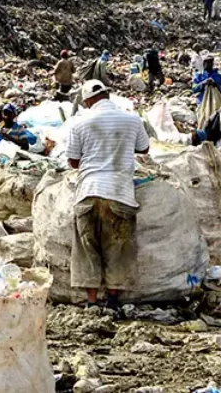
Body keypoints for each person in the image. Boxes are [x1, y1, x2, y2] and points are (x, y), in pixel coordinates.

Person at [65, 79, 150, 312]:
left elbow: (73, 162)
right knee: (117, 248)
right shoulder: (133, 120)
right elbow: (144, 149)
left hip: (88, 192)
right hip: (119, 193)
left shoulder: (79, 123)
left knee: (87, 248)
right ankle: (113, 302)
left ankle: (91, 302)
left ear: (88, 100)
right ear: (108, 95)